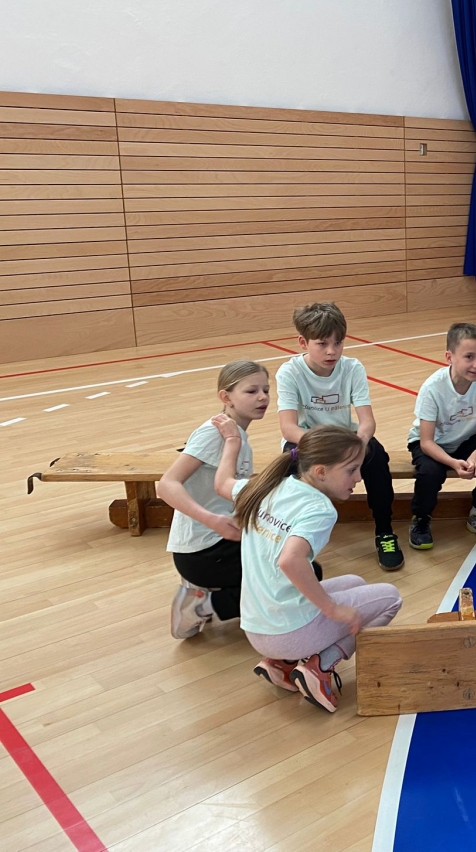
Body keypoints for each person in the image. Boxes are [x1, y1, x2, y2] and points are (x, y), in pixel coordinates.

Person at [213, 420, 401, 712]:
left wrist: (232, 442)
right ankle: (321, 665)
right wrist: (332, 609)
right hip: (288, 633)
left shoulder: (266, 487)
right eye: (351, 470)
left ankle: (282, 664)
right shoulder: (319, 509)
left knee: (354, 582)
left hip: (255, 627)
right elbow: (290, 560)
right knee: (390, 597)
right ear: (320, 471)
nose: (359, 477)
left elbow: (221, 482)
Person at [161, 360, 309, 639]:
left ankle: (206, 592)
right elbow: (167, 485)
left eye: (266, 390)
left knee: (299, 561)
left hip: (219, 541)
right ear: (226, 397)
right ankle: (201, 606)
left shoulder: (236, 435)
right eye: (251, 391)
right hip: (203, 551)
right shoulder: (214, 433)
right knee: (299, 572)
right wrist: (212, 521)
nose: (263, 397)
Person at [276, 302, 401, 570]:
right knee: (289, 468)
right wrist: (326, 448)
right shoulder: (289, 372)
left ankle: (385, 532)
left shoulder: (353, 368)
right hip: (308, 440)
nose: (332, 351)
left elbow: (367, 422)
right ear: (303, 342)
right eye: (322, 344)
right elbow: (288, 428)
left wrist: (359, 446)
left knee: (377, 457)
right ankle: (292, 540)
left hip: (346, 439)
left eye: (338, 343)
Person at [407, 323, 476, 550]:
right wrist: (454, 463)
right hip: (431, 443)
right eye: (469, 357)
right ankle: (421, 518)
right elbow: (426, 442)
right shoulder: (432, 387)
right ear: (449, 357)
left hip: (465, 440)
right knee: (430, 472)